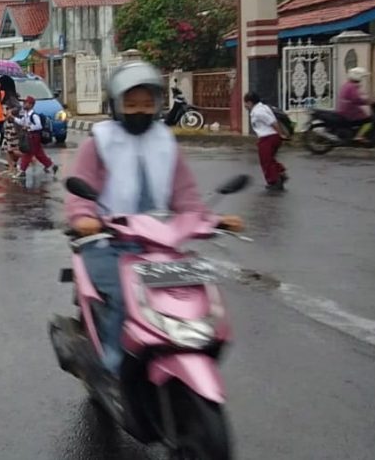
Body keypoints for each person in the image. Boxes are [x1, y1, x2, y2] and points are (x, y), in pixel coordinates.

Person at [65, 61, 244, 379]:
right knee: (124, 294)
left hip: (158, 244)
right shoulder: (99, 142)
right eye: (131, 104)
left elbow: (186, 197)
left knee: (195, 289)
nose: (140, 111)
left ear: (158, 105)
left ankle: (182, 348)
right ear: (116, 104)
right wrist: (84, 217)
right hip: (108, 243)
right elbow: (81, 190)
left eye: (147, 103)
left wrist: (213, 220)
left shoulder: (165, 142)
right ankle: (112, 362)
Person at [245, 92, 288, 191]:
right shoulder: (262, 107)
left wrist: (280, 133)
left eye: (246, 103)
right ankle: (280, 174)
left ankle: (275, 182)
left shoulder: (258, 112)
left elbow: (272, 122)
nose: (245, 106)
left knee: (266, 161)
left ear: (250, 103)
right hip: (270, 137)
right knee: (269, 159)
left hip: (268, 138)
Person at [14, 96, 58, 176]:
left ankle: (22, 171)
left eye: (26, 103)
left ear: (31, 105)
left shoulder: (34, 115)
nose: (24, 104)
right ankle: (52, 166)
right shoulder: (26, 115)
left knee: (28, 153)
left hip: (33, 137)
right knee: (39, 154)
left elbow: (39, 126)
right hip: (30, 136)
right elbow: (21, 122)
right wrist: (13, 118)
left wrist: (29, 128)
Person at [335, 67, 373, 141]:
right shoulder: (352, 86)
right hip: (349, 110)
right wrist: (366, 102)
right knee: (368, 120)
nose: (362, 79)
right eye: (362, 77)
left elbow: (357, 95)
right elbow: (355, 99)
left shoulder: (347, 84)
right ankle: (359, 136)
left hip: (345, 109)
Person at [0, 77, 24, 177]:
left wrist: (11, 112)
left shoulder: (11, 97)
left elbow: (18, 107)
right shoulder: (5, 96)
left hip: (13, 126)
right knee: (7, 148)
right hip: (8, 125)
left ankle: (29, 158)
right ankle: (11, 168)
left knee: (12, 149)